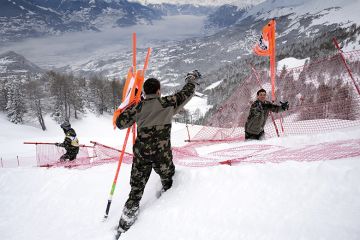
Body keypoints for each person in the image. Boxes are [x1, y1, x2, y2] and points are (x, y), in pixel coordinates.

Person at [114, 70, 201, 236]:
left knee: (136, 188)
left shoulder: (138, 108)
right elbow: (186, 93)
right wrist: (191, 79)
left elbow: (120, 123)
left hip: (142, 154)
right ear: (159, 91)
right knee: (168, 178)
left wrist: (132, 104)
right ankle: (167, 198)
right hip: (163, 154)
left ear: (145, 93)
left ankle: (126, 220)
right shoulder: (167, 103)